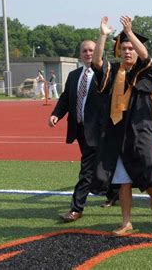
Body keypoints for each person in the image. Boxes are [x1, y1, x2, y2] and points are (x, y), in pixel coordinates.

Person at [91, 16, 152, 236]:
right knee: (123, 180)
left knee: (149, 174)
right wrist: (103, 35)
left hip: (141, 132)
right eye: (124, 48)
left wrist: (129, 32)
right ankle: (126, 222)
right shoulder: (113, 72)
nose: (128, 51)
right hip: (117, 133)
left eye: (131, 47)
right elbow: (96, 64)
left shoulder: (144, 70)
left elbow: (147, 57)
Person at [49, 40, 116, 222]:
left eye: (92, 51)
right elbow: (65, 99)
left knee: (86, 169)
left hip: (99, 130)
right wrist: (56, 114)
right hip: (79, 129)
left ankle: (76, 208)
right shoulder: (74, 75)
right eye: (85, 51)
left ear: (98, 53)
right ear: (80, 54)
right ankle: (113, 192)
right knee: (97, 165)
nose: (88, 54)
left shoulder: (105, 73)